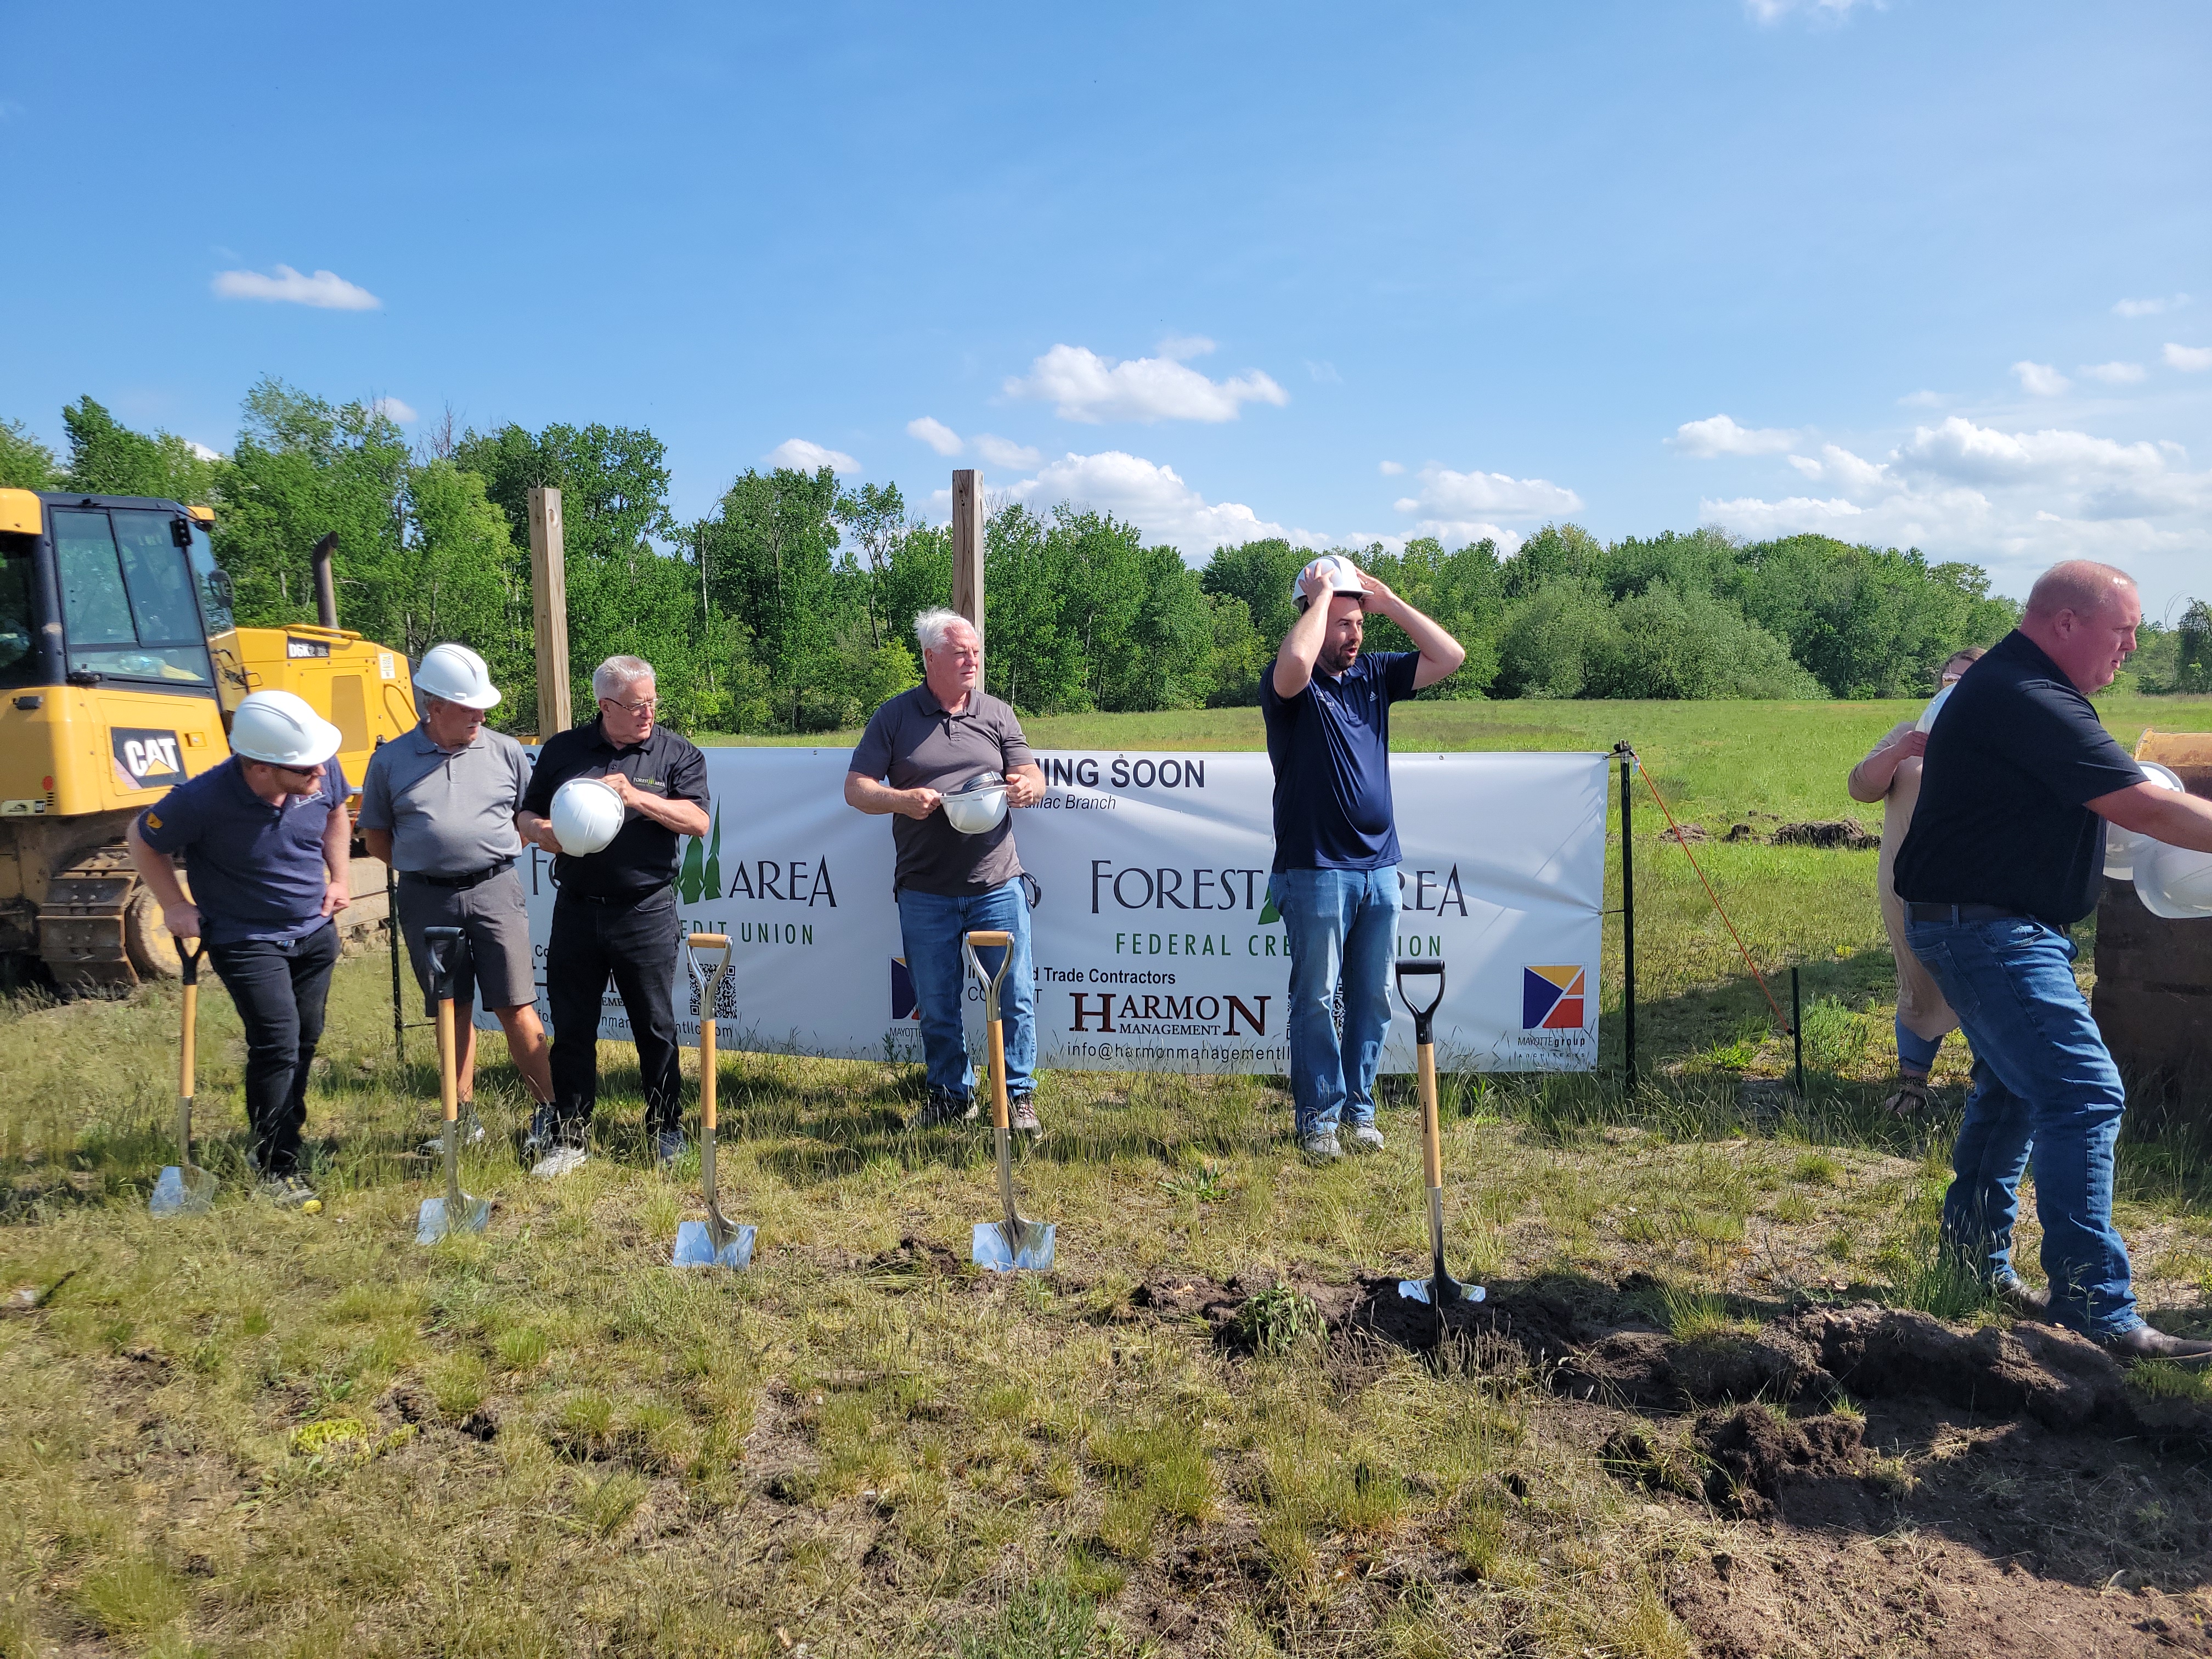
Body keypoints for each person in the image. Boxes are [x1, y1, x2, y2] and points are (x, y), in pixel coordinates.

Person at [1896, 560, 2212, 1362]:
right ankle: (2095, 1307)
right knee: (2084, 1093)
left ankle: (1973, 1263)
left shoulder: (2023, 688)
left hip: (1993, 925)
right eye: (2124, 629)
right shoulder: (2026, 695)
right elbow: (2143, 804)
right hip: (1988, 930)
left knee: (2012, 1092)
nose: (2134, 647)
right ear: (2065, 623)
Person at [1261, 555, 1466, 1162]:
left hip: (1380, 868)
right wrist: (1324, 599)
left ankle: (1359, 1109)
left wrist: (1390, 601)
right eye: (1342, 623)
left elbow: (1450, 658)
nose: (1353, 635)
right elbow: (1295, 663)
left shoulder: (1375, 674)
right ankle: (1318, 1119)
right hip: (1316, 866)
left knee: (1373, 996)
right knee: (1317, 998)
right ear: (1314, 618)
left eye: (1359, 623)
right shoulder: (1291, 686)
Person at [125, 690, 354, 1209]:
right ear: (259, 768)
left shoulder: (316, 762)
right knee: (276, 1041)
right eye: (304, 772)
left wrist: (339, 877)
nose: (320, 775)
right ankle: (277, 1166)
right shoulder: (201, 800)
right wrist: (174, 905)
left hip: (315, 931)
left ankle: (282, 1138)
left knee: (306, 1039)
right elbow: (141, 840)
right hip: (245, 938)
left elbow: (338, 812)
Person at [845, 608, 1046, 1131]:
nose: (972, 661)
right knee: (935, 1002)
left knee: (1015, 995)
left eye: (976, 652)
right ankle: (951, 1097)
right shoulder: (894, 716)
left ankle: (1018, 1098)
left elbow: (1030, 773)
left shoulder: (997, 712)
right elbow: (856, 789)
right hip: (925, 888)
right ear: (930, 658)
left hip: (997, 882)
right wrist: (900, 800)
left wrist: (1027, 786)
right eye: (961, 653)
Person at [515, 655, 709, 1177]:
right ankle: (570, 1135)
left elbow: (697, 821)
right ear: (605, 706)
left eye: (652, 701)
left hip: (645, 910)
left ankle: (667, 1128)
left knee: (655, 1025)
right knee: (574, 1026)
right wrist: (541, 833)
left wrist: (639, 798)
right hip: (577, 908)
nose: (648, 712)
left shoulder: (676, 752)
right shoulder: (564, 750)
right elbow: (526, 812)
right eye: (635, 704)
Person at [358, 643, 553, 1152]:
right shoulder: (390, 761)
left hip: (495, 890)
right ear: (434, 706)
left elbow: (526, 817)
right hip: (426, 899)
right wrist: (427, 862)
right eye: (469, 707)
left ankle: (550, 1115)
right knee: (451, 1007)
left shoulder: (506, 750)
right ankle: (460, 1120)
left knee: (516, 1005)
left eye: (482, 706)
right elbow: (376, 837)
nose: (481, 715)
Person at [1847, 646, 1983, 1115]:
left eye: (1969, 681)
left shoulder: (1997, 741)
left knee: (1987, 982)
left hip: (1979, 888)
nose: (1956, 689)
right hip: (1906, 886)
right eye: (1950, 680)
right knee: (1918, 979)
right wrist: (1902, 751)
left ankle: (1993, 1088)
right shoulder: (1907, 735)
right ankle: (1913, 1086)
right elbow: (1861, 787)